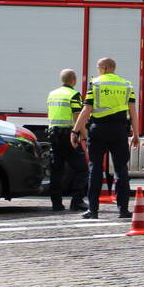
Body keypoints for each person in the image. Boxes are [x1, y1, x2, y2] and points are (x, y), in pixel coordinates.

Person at [72, 57, 139, 220]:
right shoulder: (127, 85)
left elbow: (86, 110)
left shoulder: (95, 84)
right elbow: (132, 111)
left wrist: (75, 131)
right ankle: (123, 210)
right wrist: (136, 133)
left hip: (98, 130)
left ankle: (93, 210)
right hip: (119, 130)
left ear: (103, 67)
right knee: (121, 169)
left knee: (95, 168)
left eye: (98, 67)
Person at [45, 69, 89, 212]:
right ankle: (77, 201)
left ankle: (56, 204)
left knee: (56, 171)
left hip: (53, 135)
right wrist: (84, 136)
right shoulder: (74, 95)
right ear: (74, 80)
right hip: (68, 136)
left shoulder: (52, 94)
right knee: (82, 169)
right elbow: (78, 118)